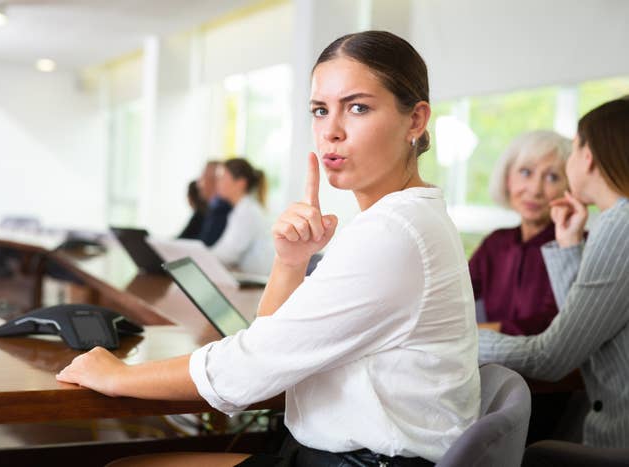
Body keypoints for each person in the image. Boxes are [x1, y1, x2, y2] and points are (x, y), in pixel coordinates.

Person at [56, 30, 480, 466]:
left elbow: (250, 370)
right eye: (320, 110)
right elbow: (270, 344)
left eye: (357, 107)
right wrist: (290, 262)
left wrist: (119, 375)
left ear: (415, 120)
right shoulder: (404, 219)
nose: (331, 131)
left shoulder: (394, 232)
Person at [479, 97, 629, 451]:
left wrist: (462, 339)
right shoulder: (614, 224)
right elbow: (586, 328)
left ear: (587, 156)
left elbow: (553, 357)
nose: (535, 188)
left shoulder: (619, 227)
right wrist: (569, 245)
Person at [469, 130, 571, 336]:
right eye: (526, 172)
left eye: (552, 177)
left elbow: (552, 328)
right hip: (494, 361)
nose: (535, 189)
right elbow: (454, 298)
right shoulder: (495, 243)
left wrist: (472, 333)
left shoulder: (574, 246)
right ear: (508, 179)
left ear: (570, 188)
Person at [210, 158, 274, 276]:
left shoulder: (247, 212)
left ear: (240, 183)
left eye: (222, 177)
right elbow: (225, 248)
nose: (217, 182)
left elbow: (228, 254)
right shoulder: (241, 209)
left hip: (257, 283)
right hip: (249, 276)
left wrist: (200, 257)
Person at [197, 160, 233, 246]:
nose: (198, 184)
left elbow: (206, 244)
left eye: (203, 177)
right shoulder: (211, 208)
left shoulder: (222, 210)